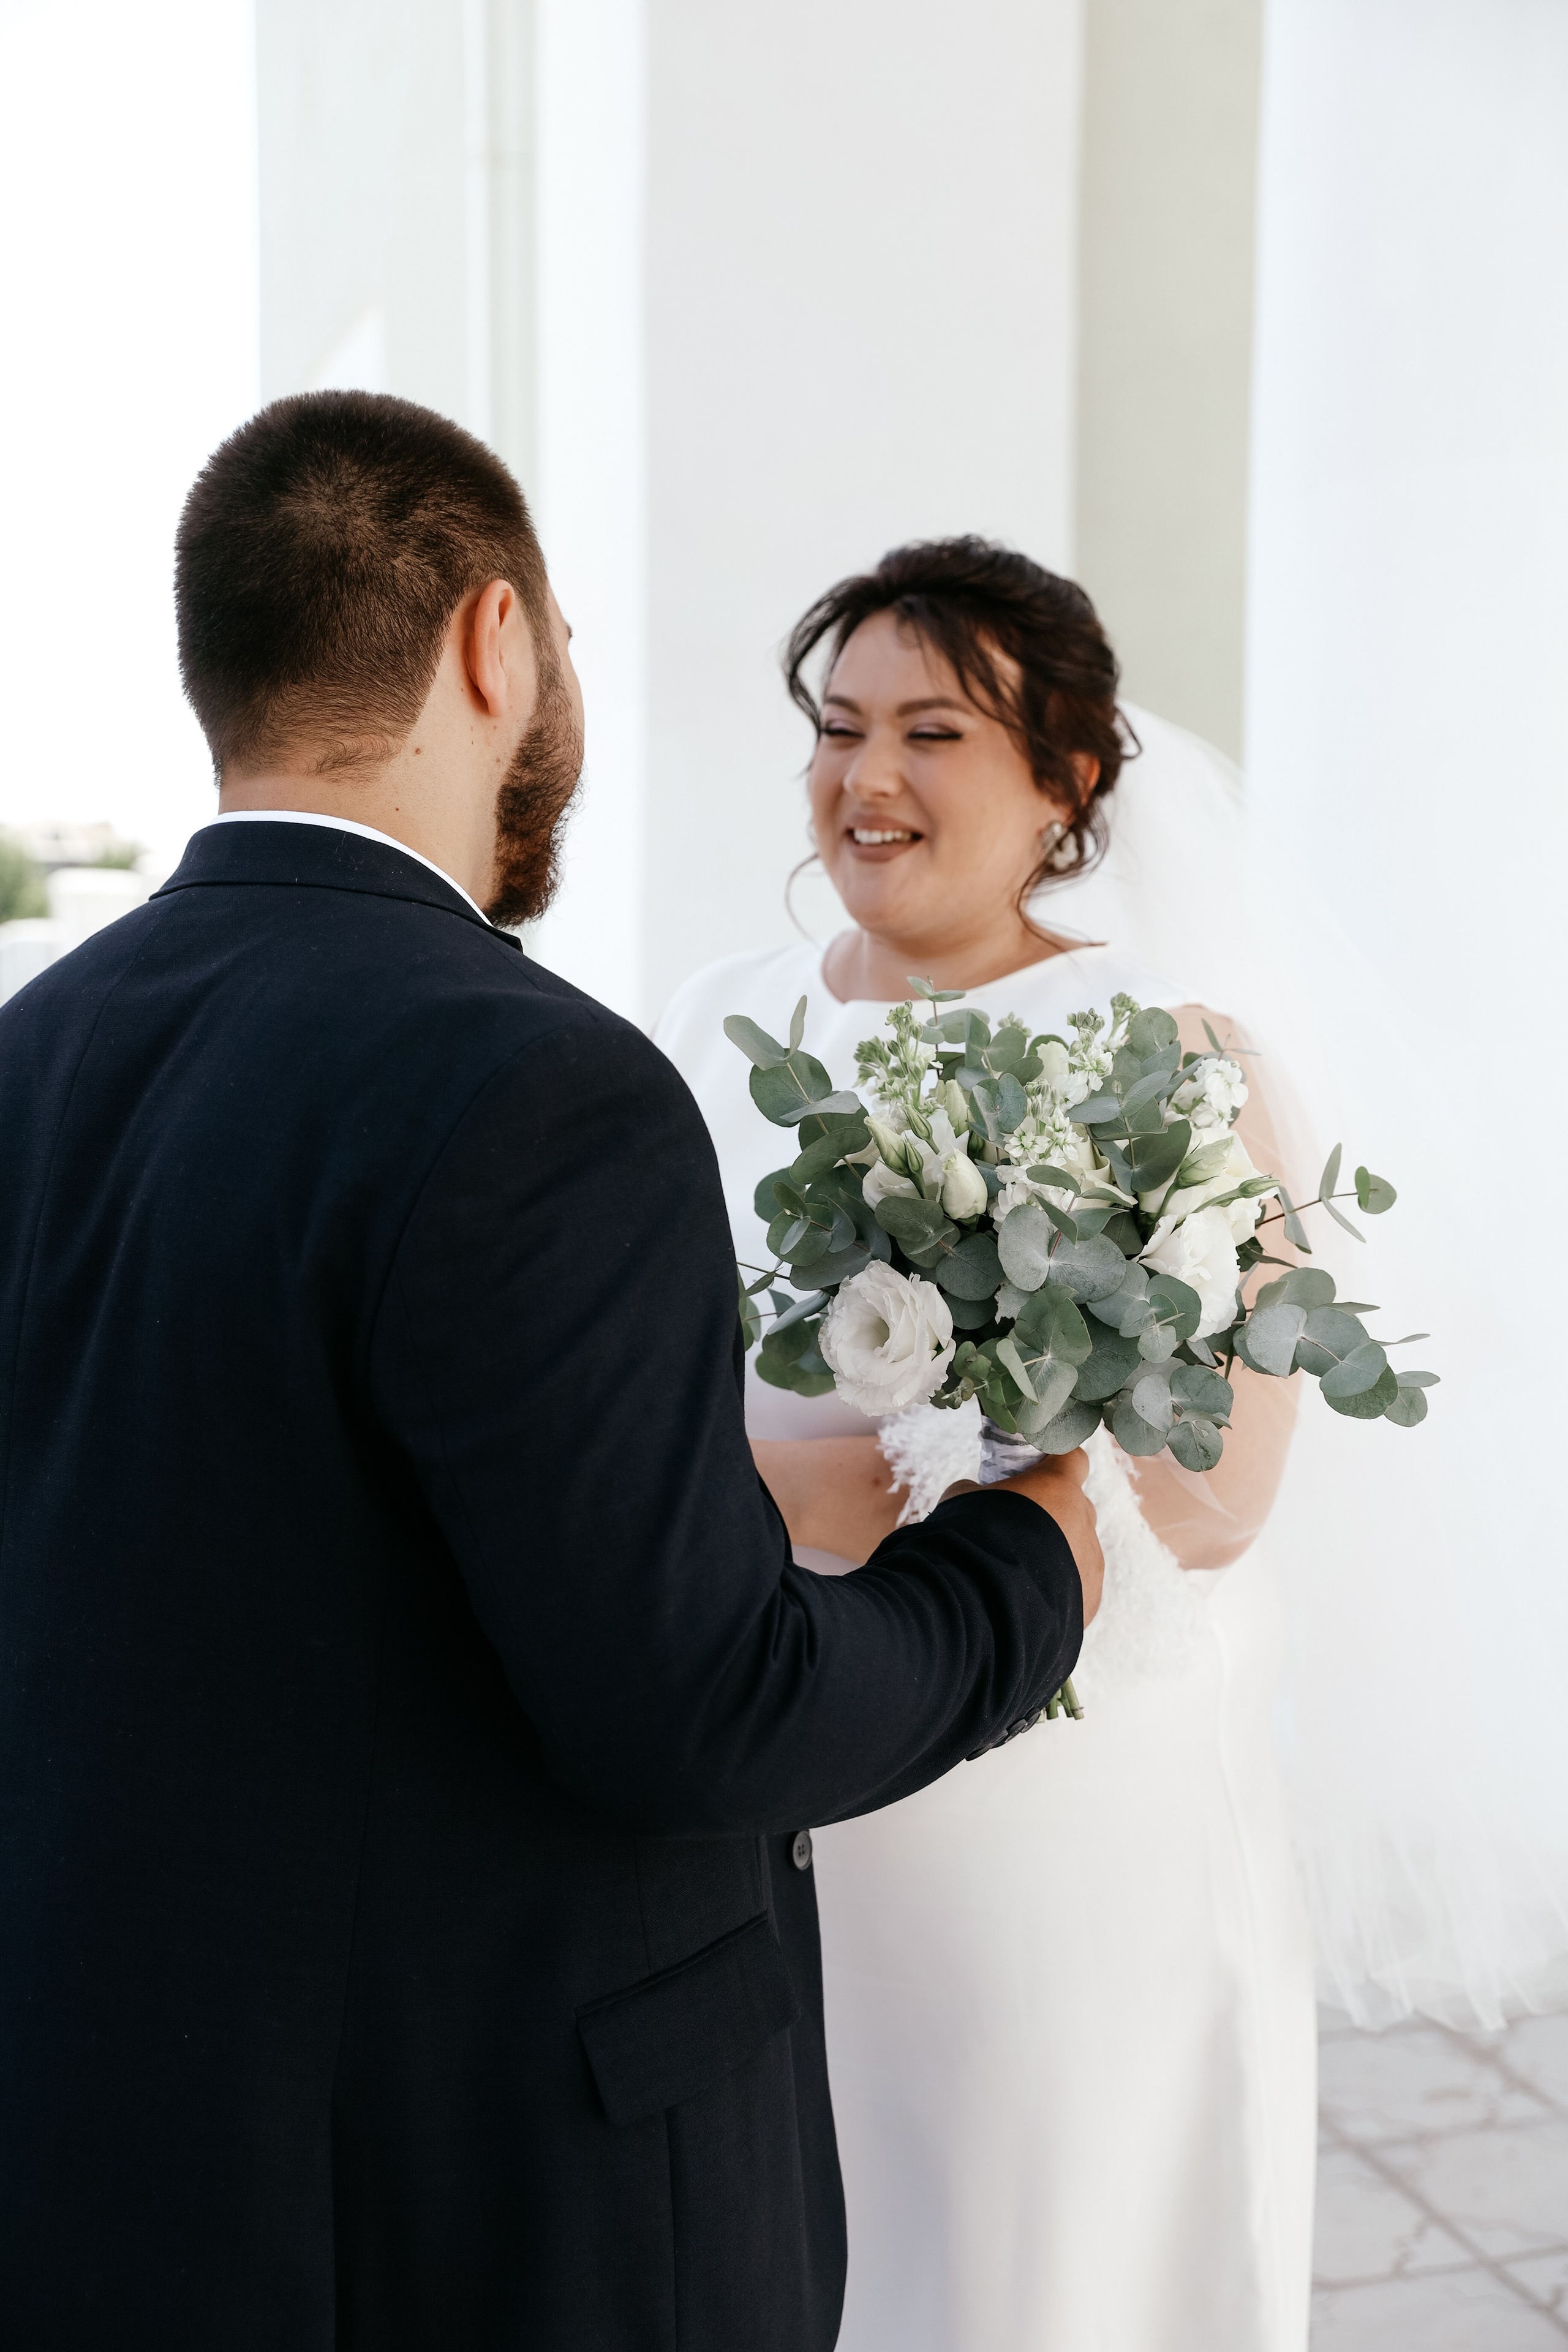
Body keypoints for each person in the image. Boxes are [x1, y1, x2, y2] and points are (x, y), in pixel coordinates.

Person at [0, 405, 1105, 2352]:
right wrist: (1029, 1575)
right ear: (495, 644)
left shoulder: (36, 1054)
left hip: (118, 2149)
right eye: (571, 641)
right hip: (495, 2198)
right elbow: (705, 1712)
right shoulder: (540, 1084)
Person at [655, 537, 1318, 2351]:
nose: (868, 779)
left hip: (1057, 1800)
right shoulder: (716, 1029)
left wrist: (784, 1494)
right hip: (770, 1765)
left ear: (1068, 779)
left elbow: (1222, 1497)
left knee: (1051, 2261)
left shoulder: (1172, 1055)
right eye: (840, 726)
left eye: (933, 731)